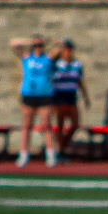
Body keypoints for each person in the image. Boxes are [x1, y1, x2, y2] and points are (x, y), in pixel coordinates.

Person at [10, 35, 59, 169]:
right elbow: (13, 43)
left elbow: (61, 45)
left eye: (40, 46)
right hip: (28, 94)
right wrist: (30, 40)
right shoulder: (27, 57)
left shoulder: (47, 58)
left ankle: (50, 154)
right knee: (26, 125)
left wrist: (48, 40)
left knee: (46, 125)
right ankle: (24, 154)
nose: (38, 48)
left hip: (44, 94)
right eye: (36, 46)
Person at [50, 38, 89, 161]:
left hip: (71, 96)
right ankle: (60, 151)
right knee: (60, 125)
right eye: (66, 49)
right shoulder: (56, 64)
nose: (68, 52)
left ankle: (61, 147)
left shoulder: (77, 64)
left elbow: (80, 81)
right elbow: (48, 59)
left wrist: (85, 96)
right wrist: (57, 46)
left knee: (75, 124)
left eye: (70, 49)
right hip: (59, 96)